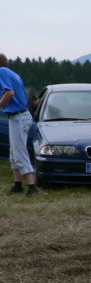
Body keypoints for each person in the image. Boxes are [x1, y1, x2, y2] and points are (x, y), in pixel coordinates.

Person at [0, 53, 37, 196]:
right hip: (21, 116)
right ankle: (17, 185)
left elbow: (9, 93)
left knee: (20, 152)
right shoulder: (13, 74)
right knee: (13, 153)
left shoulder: (1, 72)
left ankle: (32, 186)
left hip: (18, 117)